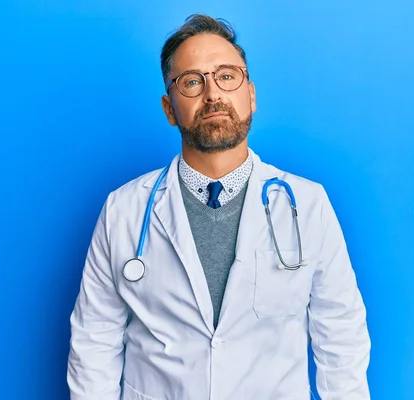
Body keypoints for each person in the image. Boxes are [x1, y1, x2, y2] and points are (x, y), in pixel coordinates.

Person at [67, 14, 371, 400]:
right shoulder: (123, 210)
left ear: (251, 95)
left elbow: (341, 338)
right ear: (169, 108)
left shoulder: (307, 205)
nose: (213, 94)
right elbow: (93, 342)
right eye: (192, 81)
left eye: (227, 76)